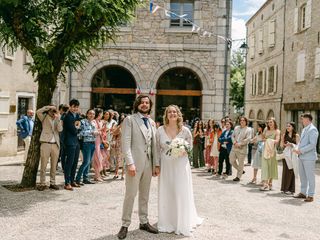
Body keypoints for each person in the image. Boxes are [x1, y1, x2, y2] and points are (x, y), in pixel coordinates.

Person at [117, 95, 160, 240]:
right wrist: (130, 163)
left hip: (148, 164)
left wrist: (156, 165)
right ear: (137, 104)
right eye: (142, 102)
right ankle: (125, 224)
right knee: (130, 194)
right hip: (134, 163)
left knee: (145, 195)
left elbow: (154, 146)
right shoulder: (130, 120)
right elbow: (126, 143)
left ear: (150, 105)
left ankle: (144, 221)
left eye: (147, 102)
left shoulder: (152, 122)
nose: (144, 104)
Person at [157, 105, 203, 236]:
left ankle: (182, 221)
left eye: (174, 112)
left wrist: (184, 151)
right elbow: (156, 148)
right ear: (166, 115)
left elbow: (189, 146)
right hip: (166, 166)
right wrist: (156, 165)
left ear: (178, 114)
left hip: (181, 165)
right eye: (169, 112)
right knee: (168, 191)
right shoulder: (160, 130)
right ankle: (168, 221)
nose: (172, 114)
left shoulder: (185, 130)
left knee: (181, 190)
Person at [293, 113, 319, 202]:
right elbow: (301, 142)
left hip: (309, 158)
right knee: (302, 176)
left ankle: (311, 195)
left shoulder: (313, 130)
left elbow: (312, 145)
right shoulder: (304, 129)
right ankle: (303, 193)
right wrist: (296, 148)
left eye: (303, 119)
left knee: (310, 176)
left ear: (307, 119)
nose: (301, 121)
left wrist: (301, 150)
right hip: (301, 156)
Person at [36, 105, 62, 191]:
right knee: (43, 164)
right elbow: (38, 112)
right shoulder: (44, 117)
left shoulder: (58, 118)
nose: (53, 112)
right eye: (51, 111)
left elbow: (60, 129)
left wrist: (57, 118)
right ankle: (42, 183)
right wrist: (47, 107)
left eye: (54, 110)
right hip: (45, 143)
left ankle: (52, 183)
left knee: (54, 165)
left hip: (55, 144)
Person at [75, 109, 98, 185]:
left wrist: (97, 133)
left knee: (89, 162)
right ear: (87, 114)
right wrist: (91, 132)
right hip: (86, 143)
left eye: (93, 114)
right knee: (86, 162)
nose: (92, 115)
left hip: (92, 143)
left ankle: (85, 178)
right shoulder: (82, 122)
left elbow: (95, 132)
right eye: (90, 114)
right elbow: (79, 133)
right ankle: (78, 179)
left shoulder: (94, 123)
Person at [63, 99, 81, 191]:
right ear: (70, 106)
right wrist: (77, 127)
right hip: (69, 141)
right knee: (69, 163)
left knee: (75, 163)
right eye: (74, 107)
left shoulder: (77, 115)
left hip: (76, 142)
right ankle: (67, 183)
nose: (75, 109)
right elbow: (73, 130)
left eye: (77, 107)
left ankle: (72, 180)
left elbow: (79, 127)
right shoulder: (67, 116)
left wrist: (77, 127)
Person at [260, 118, 280, 191]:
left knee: (271, 166)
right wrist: (262, 135)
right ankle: (265, 184)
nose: (269, 123)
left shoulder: (277, 131)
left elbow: (277, 141)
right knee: (265, 166)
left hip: (272, 151)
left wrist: (268, 140)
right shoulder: (266, 129)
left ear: (274, 122)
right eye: (268, 122)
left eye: (271, 122)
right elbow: (263, 138)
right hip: (265, 150)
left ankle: (270, 183)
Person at [229, 116, 252, 181]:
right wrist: (234, 143)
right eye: (241, 120)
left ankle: (238, 176)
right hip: (234, 147)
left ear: (246, 122)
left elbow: (248, 139)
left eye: (243, 120)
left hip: (242, 149)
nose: (242, 121)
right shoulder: (236, 128)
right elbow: (232, 136)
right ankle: (241, 170)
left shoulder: (249, 129)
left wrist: (240, 144)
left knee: (241, 163)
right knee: (231, 160)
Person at [280, 122, 300, 194]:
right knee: (285, 171)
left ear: (293, 127)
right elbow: (281, 146)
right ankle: (285, 188)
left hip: (293, 155)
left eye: (289, 126)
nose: (287, 127)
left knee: (292, 171)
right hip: (286, 156)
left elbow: (298, 146)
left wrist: (291, 144)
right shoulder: (284, 135)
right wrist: (283, 142)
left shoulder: (296, 135)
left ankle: (291, 189)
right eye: (287, 126)